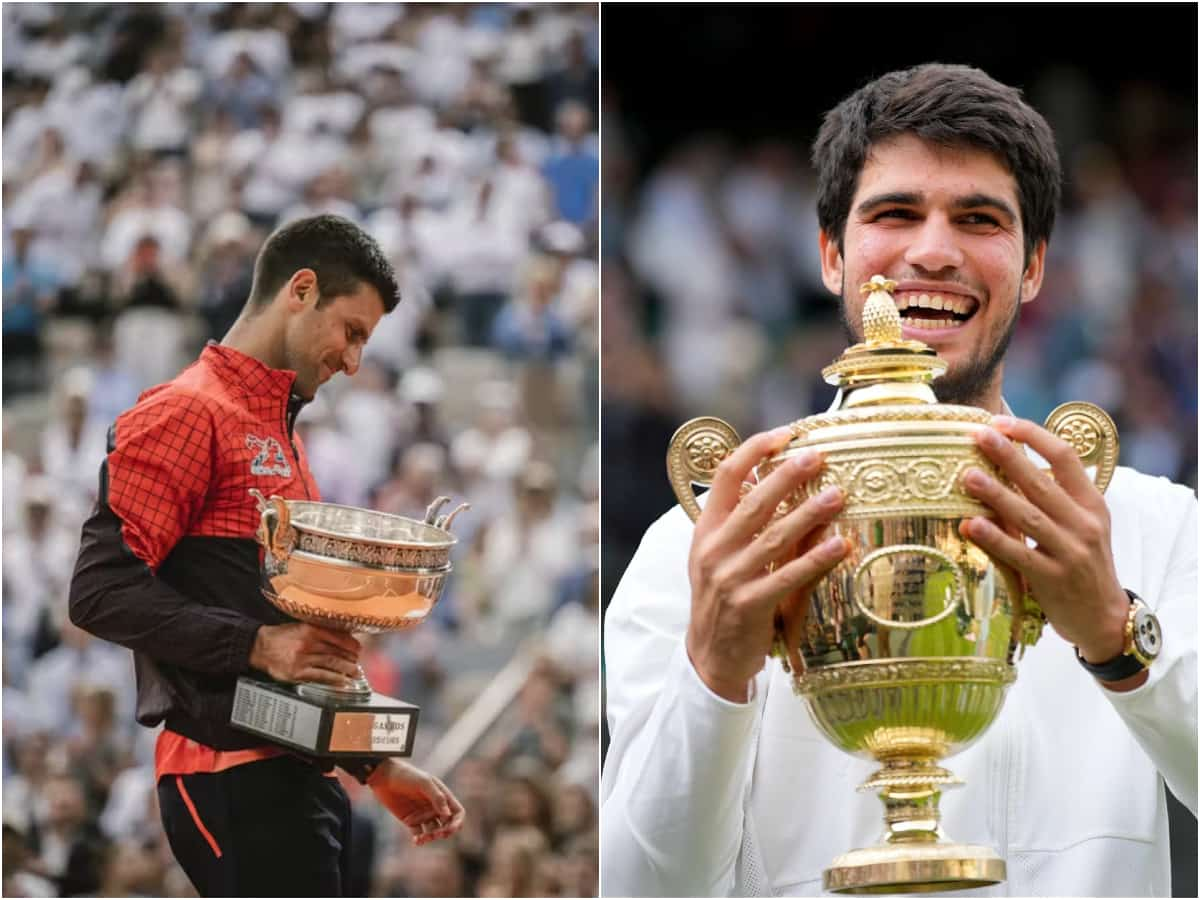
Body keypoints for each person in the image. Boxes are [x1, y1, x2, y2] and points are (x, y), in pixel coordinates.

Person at [601, 64, 1197, 897]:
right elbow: (639, 887)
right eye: (895, 213)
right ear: (830, 256)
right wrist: (714, 669)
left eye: (979, 219)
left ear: (1032, 269)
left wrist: (1116, 634)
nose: (932, 250)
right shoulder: (704, 544)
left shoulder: (1148, 526)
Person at [68, 214, 465, 897]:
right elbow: (100, 592)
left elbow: (302, 644)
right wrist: (256, 645)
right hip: (227, 770)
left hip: (287, 772)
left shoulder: (281, 439)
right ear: (301, 290)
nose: (353, 361)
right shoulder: (187, 410)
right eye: (352, 332)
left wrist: (373, 763)